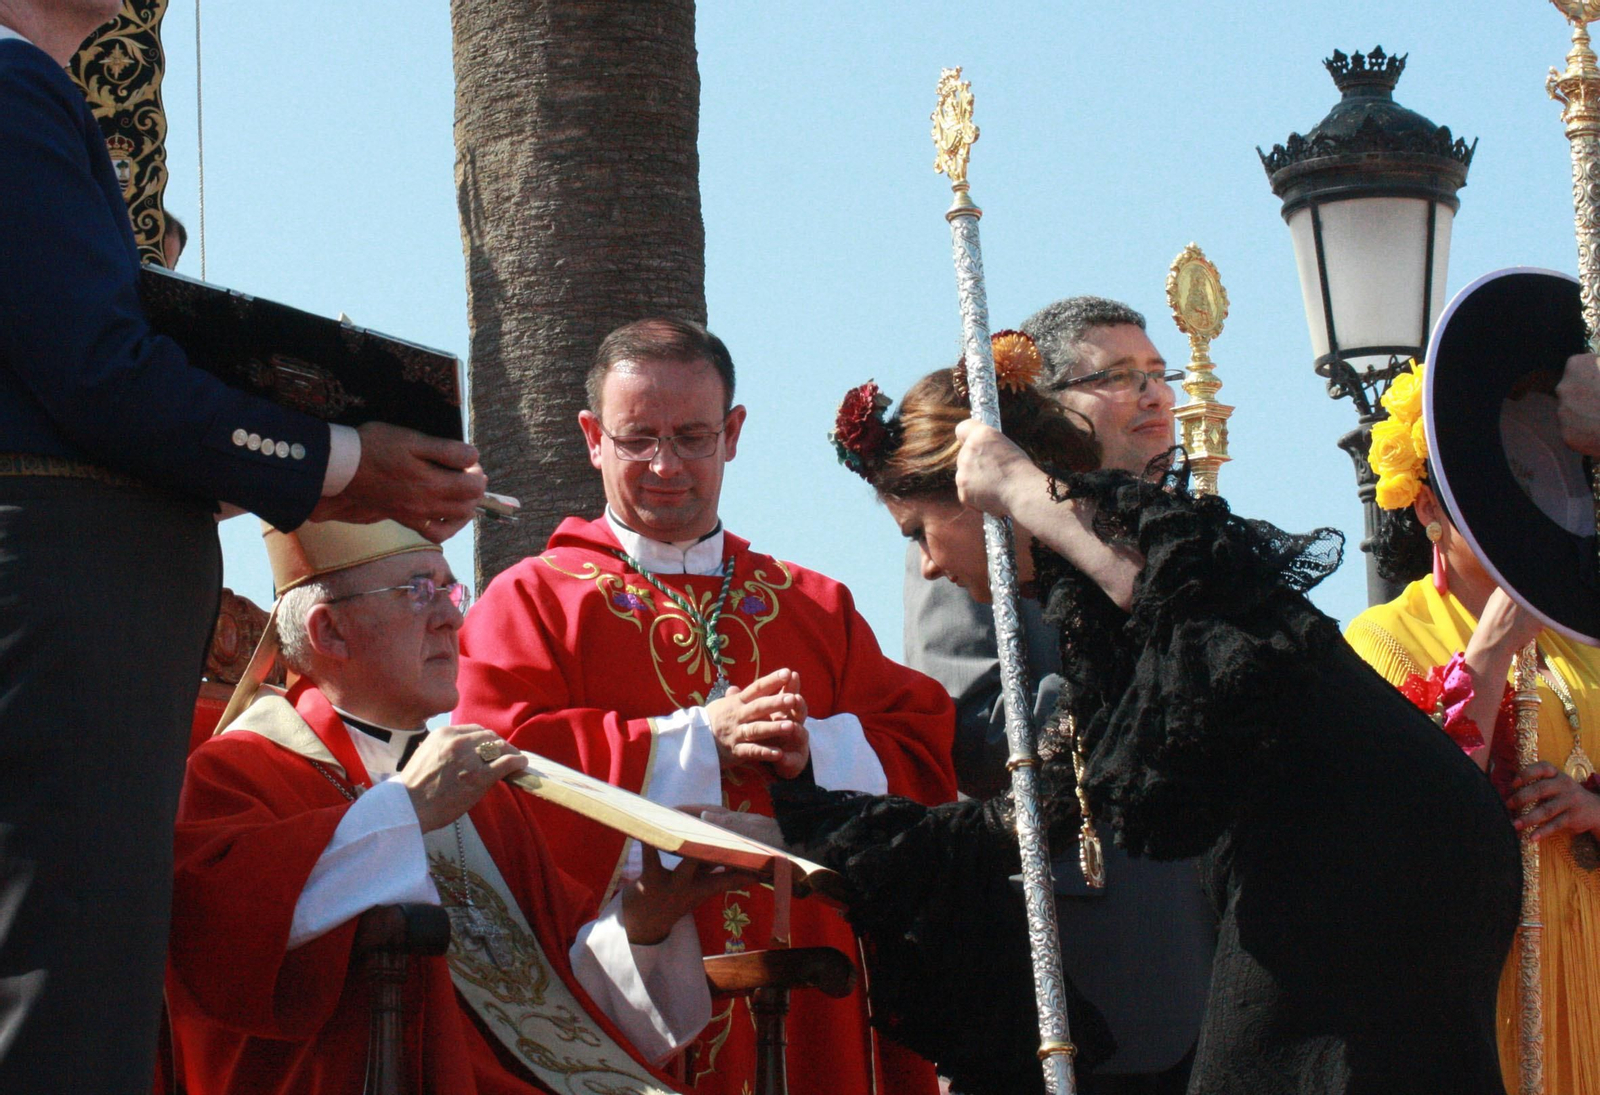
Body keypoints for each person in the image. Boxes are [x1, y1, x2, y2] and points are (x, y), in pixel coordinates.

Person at [778, 357, 1521, 1095]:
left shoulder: (1135, 527)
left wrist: (1022, 489)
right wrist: (818, 824)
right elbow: (1044, 808)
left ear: (973, 495)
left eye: (917, 531)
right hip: (1346, 857)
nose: (928, 565)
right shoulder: (1082, 603)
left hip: (1374, 851)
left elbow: (1198, 620)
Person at [0, 7, 486, 1091]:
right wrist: (344, 454)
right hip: (65, 598)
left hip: (67, 591)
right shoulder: (14, 87)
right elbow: (100, 371)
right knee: (63, 987)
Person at [454, 317, 958, 1095]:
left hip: (808, 1003)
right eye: (637, 439)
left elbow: (926, 749)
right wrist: (694, 741)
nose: (665, 465)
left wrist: (811, 749)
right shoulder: (531, 601)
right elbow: (491, 769)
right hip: (614, 1014)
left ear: (733, 432)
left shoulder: (815, 605)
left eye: (692, 436)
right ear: (593, 437)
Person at [168, 517, 740, 1094]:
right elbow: (220, 955)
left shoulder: (481, 792)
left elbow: (559, 1008)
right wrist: (408, 809)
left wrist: (646, 921)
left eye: (449, 589)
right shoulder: (240, 772)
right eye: (419, 591)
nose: (452, 618)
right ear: (330, 632)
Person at [900, 304, 1214, 1093]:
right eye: (1116, 377)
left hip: (1211, 956)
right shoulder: (973, 538)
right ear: (1047, 404)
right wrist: (1111, 689)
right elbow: (973, 732)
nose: (1152, 395)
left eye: (1157, 375)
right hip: (1074, 959)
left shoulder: (1187, 532)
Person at [1346, 359, 1600, 1095]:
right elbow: (1408, 821)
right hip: (1490, 969)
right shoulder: (1383, 637)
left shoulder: (1587, 630)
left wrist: (1589, 808)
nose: (1514, 510)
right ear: (1426, 508)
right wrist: (1487, 653)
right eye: (1489, 493)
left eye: (1528, 482)